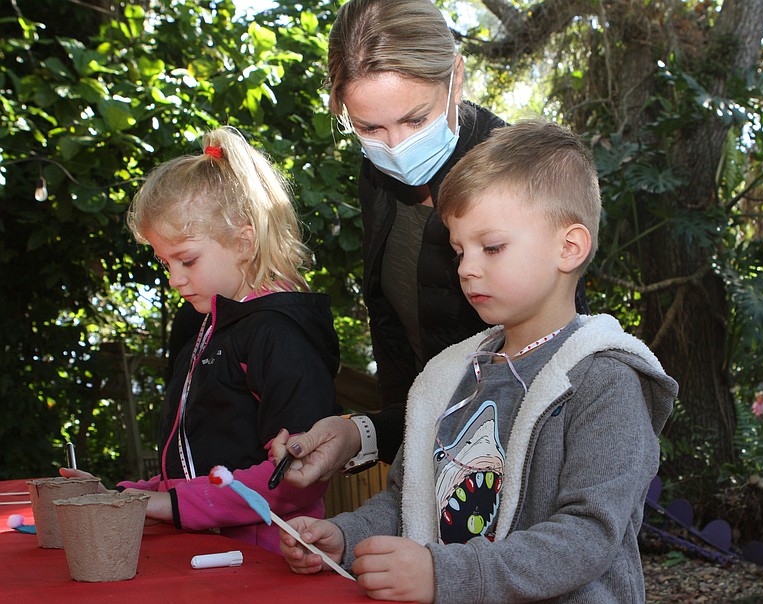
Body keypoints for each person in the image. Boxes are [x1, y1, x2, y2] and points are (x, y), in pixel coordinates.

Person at [279, 120, 678, 603]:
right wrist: (346, 538)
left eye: (491, 247)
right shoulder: (447, 377)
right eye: (458, 250)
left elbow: (586, 536)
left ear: (568, 248)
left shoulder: (604, 381)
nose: (467, 268)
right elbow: (408, 501)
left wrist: (443, 574)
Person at [272, 0, 589, 487]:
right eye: (369, 128)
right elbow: (405, 355)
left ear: (456, 79)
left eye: (416, 120)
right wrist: (363, 433)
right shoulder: (375, 179)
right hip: (430, 467)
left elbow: (550, 366)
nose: (396, 147)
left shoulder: (516, 183)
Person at [60, 127, 340, 554]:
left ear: (244, 242)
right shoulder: (210, 325)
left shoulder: (277, 332)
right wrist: (126, 496)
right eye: (165, 263)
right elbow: (201, 469)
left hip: (267, 558)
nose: (174, 279)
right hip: (215, 555)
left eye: (187, 260)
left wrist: (170, 505)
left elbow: (295, 479)